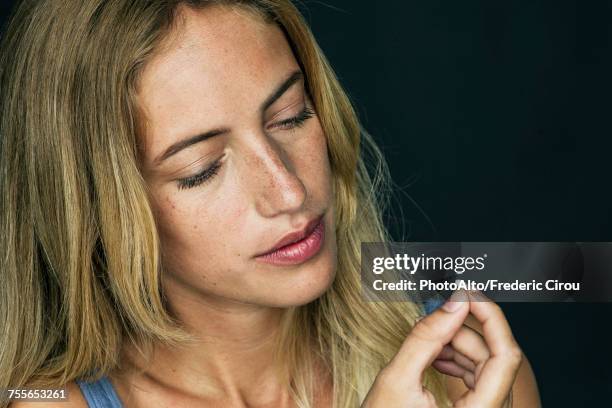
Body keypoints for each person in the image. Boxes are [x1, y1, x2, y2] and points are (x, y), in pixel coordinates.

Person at [0, 0, 540, 406]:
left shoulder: (469, 375)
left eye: (292, 116)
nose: (290, 191)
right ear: (94, 211)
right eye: (202, 169)